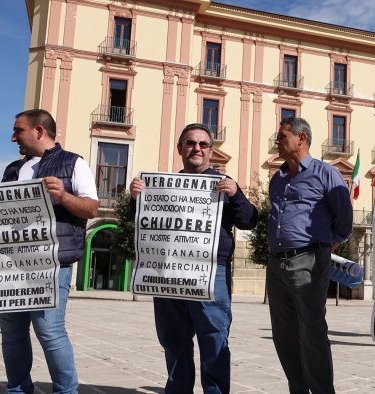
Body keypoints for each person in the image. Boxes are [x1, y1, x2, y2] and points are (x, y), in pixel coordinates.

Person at [129, 123, 258, 394]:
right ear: (180, 149)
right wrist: (136, 199)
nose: (196, 148)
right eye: (190, 143)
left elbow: (249, 221)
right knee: (173, 341)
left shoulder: (225, 186)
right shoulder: (161, 188)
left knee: (214, 339)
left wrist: (236, 194)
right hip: (167, 273)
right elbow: (140, 224)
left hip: (211, 273)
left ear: (211, 152)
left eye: (202, 144)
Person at [0, 109, 99, 393]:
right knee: (11, 332)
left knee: (50, 332)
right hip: (11, 265)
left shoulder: (73, 163)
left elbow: (90, 208)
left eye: (18, 130)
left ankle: (66, 391)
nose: (13, 137)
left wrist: (63, 195)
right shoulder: (12, 170)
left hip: (51, 265)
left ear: (39, 131)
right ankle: (17, 389)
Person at [266, 116, 353, 394]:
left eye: (282, 136)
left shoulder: (326, 173)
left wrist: (328, 244)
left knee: (312, 332)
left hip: (310, 260)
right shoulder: (277, 179)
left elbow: (345, 220)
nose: (277, 141)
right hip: (276, 262)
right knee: (283, 334)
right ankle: (298, 389)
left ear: (301, 139)